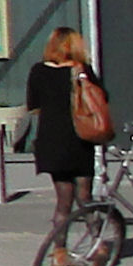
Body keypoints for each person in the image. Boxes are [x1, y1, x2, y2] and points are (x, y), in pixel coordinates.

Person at [26, 25, 106, 233]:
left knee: (63, 201)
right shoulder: (82, 70)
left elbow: (33, 105)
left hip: (51, 142)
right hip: (79, 140)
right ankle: (98, 244)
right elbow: (101, 99)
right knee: (85, 197)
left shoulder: (38, 71)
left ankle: (59, 252)